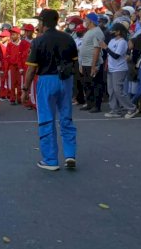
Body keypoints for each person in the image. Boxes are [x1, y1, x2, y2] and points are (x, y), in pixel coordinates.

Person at [22, 9, 79, 171]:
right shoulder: (68, 38)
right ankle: (70, 154)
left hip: (46, 80)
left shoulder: (38, 42)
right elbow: (76, 63)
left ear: (43, 23)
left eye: (39, 22)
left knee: (46, 119)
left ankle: (50, 160)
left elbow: (31, 69)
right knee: (66, 118)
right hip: (66, 79)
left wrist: (25, 89)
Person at [100, 23, 135, 117]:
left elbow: (116, 56)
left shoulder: (122, 42)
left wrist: (106, 47)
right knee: (111, 91)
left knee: (118, 90)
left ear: (118, 31)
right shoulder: (112, 41)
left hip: (119, 69)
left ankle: (131, 108)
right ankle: (115, 109)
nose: (111, 32)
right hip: (111, 68)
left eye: (113, 30)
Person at [78, 13, 106, 113]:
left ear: (90, 20)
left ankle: (96, 105)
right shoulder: (89, 32)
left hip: (92, 63)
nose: (84, 21)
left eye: (86, 19)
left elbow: (97, 49)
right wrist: (81, 64)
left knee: (95, 84)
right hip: (85, 63)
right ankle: (89, 103)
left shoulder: (97, 32)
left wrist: (94, 65)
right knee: (87, 84)